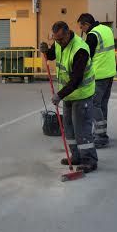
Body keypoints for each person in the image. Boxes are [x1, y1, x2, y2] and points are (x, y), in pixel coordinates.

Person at [39, 21, 98, 173]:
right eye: (55, 39)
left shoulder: (80, 50)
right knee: (69, 128)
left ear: (67, 33)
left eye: (60, 39)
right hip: (68, 95)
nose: (58, 42)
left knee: (82, 129)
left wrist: (59, 95)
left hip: (82, 94)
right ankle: (76, 156)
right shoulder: (59, 43)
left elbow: (76, 79)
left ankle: (89, 160)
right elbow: (52, 54)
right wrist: (45, 50)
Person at [77, 13, 116, 148]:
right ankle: (102, 133)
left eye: (81, 27)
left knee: (94, 105)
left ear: (86, 24)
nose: (81, 30)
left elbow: (87, 55)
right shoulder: (106, 29)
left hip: (99, 75)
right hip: (110, 73)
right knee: (102, 105)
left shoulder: (93, 35)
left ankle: (100, 137)